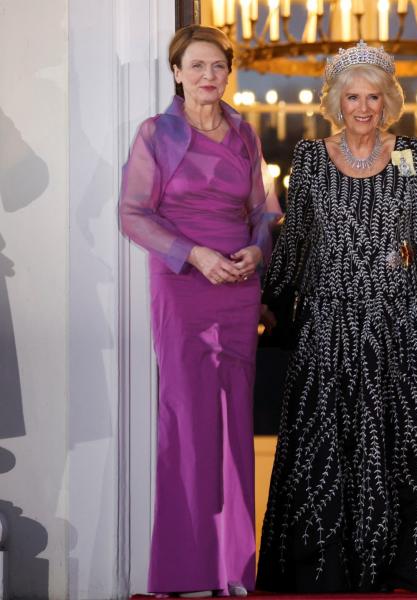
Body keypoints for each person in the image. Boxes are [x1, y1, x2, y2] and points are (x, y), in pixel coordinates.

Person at [255, 41, 417, 593]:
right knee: (326, 445)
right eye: (353, 97)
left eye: (373, 97)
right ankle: (324, 567)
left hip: (392, 319)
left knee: (399, 443)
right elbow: (295, 238)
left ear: (387, 100)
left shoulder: (409, 153)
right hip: (327, 319)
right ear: (335, 102)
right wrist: (274, 303)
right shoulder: (312, 158)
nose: (363, 108)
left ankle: (401, 564)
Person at [119, 24, 274, 597]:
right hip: (183, 286)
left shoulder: (244, 132)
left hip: (238, 287)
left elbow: (263, 210)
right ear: (178, 73)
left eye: (218, 67)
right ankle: (184, 573)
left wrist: (258, 249)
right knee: (186, 422)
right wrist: (194, 255)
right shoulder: (155, 134)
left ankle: (231, 570)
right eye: (198, 66)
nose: (210, 76)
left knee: (234, 423)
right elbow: (132, 214)